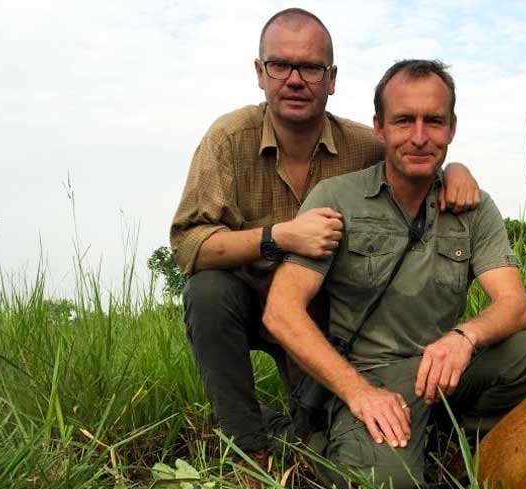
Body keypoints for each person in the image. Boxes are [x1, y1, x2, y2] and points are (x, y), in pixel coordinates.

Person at [169, 9, 481, 464]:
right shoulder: (227, 140)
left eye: (311, 68)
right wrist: (280, 237)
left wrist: (456, 170)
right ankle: (249, 450)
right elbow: (188, 245)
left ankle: (309, 427)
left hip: (327, 309)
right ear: (260, 73)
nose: (295, 79)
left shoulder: (362, 145)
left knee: (314, 425)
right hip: (250, 300)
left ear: (331, 79)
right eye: (280, 65)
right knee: (207, 292)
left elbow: (416, 152)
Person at [263, 59, 526, 489]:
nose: (421, 137)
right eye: (405, 121)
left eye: (434, 121)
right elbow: (281, 312)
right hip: (372, 376)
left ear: (452, 128)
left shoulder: (474, 206)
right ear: (379, 128)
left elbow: (514, 306)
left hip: (445, 371)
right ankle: (328, 440)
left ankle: (441, 438)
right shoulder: (337, 197)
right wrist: (358, 392)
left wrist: (463, 338)